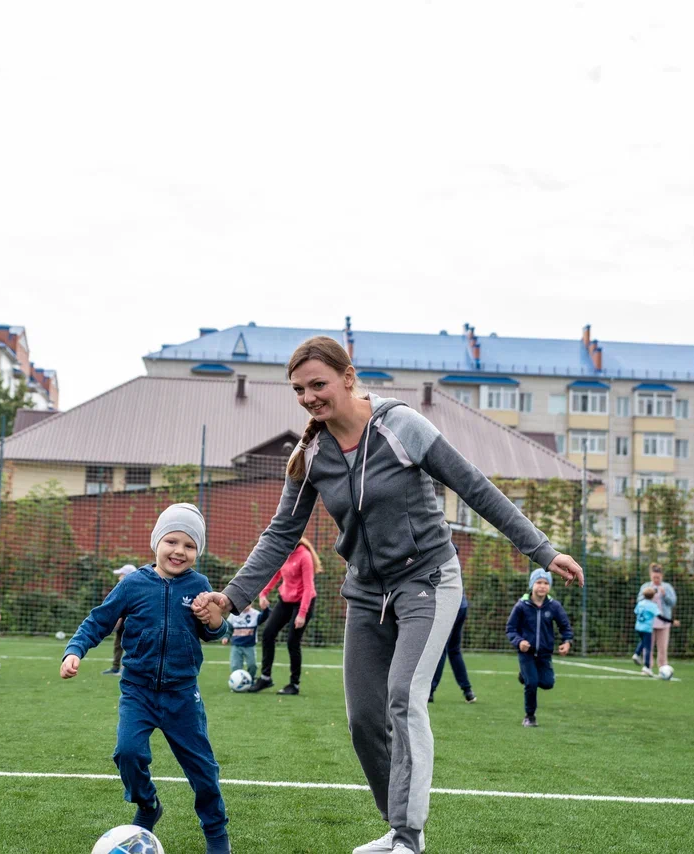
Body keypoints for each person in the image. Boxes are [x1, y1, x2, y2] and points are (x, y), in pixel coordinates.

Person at [193, 336, 584, 854]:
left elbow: (474, 487)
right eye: (299, 390)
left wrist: (540, 550)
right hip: (365, 592)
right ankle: (396, 827)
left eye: (318, 384)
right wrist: (232, 597)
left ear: (348, 377)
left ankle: (408, 837)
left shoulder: (402, 427)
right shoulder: (311, 454)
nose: (309, 397)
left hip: (428, 580)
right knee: (363, 718)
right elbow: (281, 534)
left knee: (403, 699)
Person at [61, 504, 231, 854]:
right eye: (172, 541)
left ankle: (216, 835)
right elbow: (98, 621)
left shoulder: (200, 585)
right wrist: (75, 650)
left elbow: (214, 632)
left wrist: (213, 619)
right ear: (156, 542)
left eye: (189, 545)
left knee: (203, 771)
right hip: (137, 692)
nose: (179, 551)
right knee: (128, 753)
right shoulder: (133, 584)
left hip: (183, 696)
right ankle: (149, 805)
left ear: (197, 551)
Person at [251, 537, 320, 695]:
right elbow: (276, 575)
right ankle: (265, 677)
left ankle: (294, 684)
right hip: (285, 600)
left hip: (303, 601)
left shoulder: (305, 556)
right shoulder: (284, 553)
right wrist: (263, 594)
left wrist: (302, 614)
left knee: (292, 642)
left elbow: (309, 587)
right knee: (268, 633)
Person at [506, 568, 573, 728]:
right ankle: (530, 716)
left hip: (544, 653)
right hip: (526, 653)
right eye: (539, 582)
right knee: (532, 683)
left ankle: (524, 676)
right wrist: (519, 641)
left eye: (545, 583)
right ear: (532, 584)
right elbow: (511, 628)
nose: (542, 586)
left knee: (547, 683)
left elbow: (565, 626)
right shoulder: (521, 606)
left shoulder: (554, 606)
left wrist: (567, 641)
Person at [429, 592, 475, 704]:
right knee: (454, 650)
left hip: (449, 605)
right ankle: (468, 691)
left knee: (441, 649)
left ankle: (429, 691)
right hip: (461, 605)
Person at [638, 563, 679, 671]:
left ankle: (663, 668)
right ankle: (648, 666)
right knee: (648, 646)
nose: (656, 579)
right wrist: (648, 595)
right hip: (649, 623)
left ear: (662, 576)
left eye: (658, 577)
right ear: (650, 576)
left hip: (663, 622)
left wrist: (664, 595)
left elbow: (673, 602)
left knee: (662, 647)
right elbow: (639, 601)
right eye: (654, 577)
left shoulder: (667, 587)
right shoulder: (646, 587)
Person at [101, 564, 137, 675]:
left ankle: (124, 669)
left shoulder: (136, 590)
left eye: (121, 574)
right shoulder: (122, 589)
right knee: (118, 645)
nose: (119, 577)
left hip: (131, 624)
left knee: (130, 646)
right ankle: (115, 667)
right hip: (122, 625)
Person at [221, 601, 269, 679]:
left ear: (251, 604)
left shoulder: (255, 614)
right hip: (236, 645)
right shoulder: (233, 615)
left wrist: (265, 609)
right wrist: (226, 637)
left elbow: (264, 617)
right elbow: (229, 628)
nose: (245, 605)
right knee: (235, 665)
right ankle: (236, 681)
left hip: (249, 645)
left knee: (252, 665)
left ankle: (251, 679)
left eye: (248, 603)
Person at [633, 586, 659, 677]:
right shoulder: (652, 605)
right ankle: (647, 667)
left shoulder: (640, 603)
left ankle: (637, 653)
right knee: (648, 647)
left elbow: (636, 612)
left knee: (643, 642)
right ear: (652, 596)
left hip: (638, 627)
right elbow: (659, 616)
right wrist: (671, 621)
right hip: (647, 628)